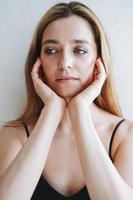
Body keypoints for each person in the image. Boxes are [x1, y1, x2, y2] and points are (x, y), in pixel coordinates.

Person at [0, 1, 133, 200]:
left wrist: (79, 111)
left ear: (99, 61)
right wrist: (51, 111)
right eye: (51, 50)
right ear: (38, 62)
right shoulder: (14, 134)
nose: (64, 64)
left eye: (79, 50)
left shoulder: (125, 135)